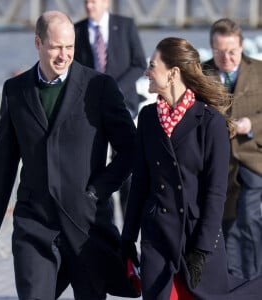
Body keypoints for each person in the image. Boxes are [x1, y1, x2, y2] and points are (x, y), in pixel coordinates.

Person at [0, 10, 138, 300]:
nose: (64, 55)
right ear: (37, 43)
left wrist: (97, 191)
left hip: (86, 226)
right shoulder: (15, 91)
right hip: (34, 223)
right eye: (55, 47)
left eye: (70, 47)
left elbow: (130, 150)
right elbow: (4, 160)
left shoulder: (98, 87)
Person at [121, 37, 262, 300]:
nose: (146, 71)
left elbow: (216, 192)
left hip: (196, 240)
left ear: (173, 73)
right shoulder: (149, 118)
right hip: (157, 239)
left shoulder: (211, 123)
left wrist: (202, 250)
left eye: (152, 66)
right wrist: (128, 238)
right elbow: (140, 182)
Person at [74, 0, 147, 218]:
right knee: (93, 165)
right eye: (86, 1)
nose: (89, 5)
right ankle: (103, 223)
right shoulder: (77, 30)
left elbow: (139, 64)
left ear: (106, 2)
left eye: (94, 1)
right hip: (91, 110)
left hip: (124, 105)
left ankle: (129, 228)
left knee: (126, 165)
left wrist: (114, 89)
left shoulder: (125, 26)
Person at [202, 18, 262, 280]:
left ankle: (254, 280)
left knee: (249, 216)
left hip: (252, 156)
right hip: (219, 161)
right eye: (219, 52)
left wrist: (252, 124)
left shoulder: (258, 71)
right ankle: (233, 281)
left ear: (241, 47)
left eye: (231, 52)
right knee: (225, 222)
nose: (225, 57)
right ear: (211, 48)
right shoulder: (202, 74)